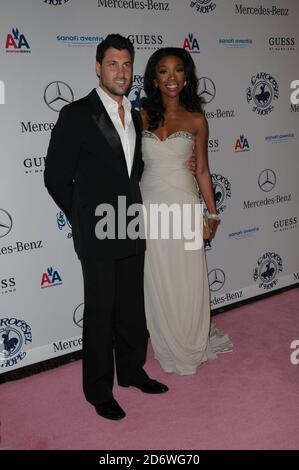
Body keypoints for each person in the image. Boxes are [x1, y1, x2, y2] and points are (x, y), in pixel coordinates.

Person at [44, 34, 169, 421]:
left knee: (132, 307)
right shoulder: (76, 114)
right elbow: (55, 177)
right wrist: (84, 219)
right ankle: (99, 391)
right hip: (98, 232)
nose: (121, 71)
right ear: (98, 67)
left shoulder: (134, 114)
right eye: (113, 63)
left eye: (127, 64)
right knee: (101, 312)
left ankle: (132, 372)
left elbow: (133, 171)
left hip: (130, 224)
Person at [140, 47, 232, 375]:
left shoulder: (196, 120)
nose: (171, 78)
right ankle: (166, 340)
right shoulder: (140, 118)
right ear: (153, 78)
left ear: (186, 77)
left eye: (178, 70)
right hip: (150, 210)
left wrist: (212, 214)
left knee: (188, 278)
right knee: (158, 279)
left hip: (185, 207)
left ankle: (191, 340)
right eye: (163, 71)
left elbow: (204, 170)